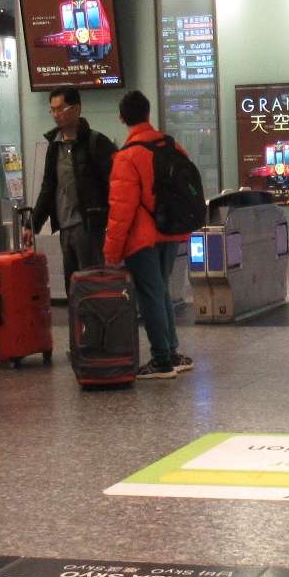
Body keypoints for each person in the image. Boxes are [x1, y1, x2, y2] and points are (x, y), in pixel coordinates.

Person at [104, 89, 191, 380]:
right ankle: (173, 352)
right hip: (170, 231)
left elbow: (121, 210)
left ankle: (162, 360)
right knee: (161, 290)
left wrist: (111, 252)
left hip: (142, 239)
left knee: (151, 294)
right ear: (148, 113)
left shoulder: (127, 157)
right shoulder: (172, 146)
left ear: (121, 117)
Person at [28, 88, 115, 295]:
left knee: (93, 286)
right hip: (65, 228)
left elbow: (115, 186)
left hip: (90, 227)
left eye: (61, 109)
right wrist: (32, 224)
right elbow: (48, 187)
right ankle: (78, 327)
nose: (56, 114)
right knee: (73, 288)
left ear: (76, 109)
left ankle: (95, 326)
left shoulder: (97, 143)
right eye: (52, 110)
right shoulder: (54, 147)